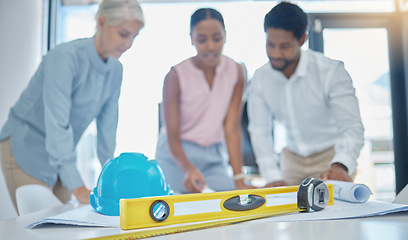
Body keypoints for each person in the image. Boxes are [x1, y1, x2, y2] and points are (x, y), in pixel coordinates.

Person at [0, 0, 145, 209]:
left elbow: (107, 129)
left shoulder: (115, 70)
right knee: (40, 225)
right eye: (124, 34)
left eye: (134, 36)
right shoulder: (65, 57)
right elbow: (57, 123)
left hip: (58, 154)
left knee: (69, 222)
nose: (129, 43)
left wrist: (111, 176)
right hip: (24, 146)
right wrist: (77, 187)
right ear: (102, 23)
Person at [247, 1, 364, 187]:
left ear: (302, 40)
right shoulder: (260, 79)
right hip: (291, 160)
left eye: (284, 46)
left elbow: (351, 127)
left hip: (330, 157)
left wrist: (341, 164)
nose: (275, 53)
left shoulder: (331, 71)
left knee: (335, 214)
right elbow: (260, 131)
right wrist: (272, 176)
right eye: (270, 44)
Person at [155, 8, 253, 193]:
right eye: (202, 39)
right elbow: (172, 136)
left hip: (213, 158)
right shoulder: (175, 76)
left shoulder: (237, 72)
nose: (210, 46)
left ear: (225, 36)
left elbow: (232, 129)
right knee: (174, 204)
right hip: (176, 157)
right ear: (191, 38)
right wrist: (188, 169)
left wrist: (239, 178)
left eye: (217, 38)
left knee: (226, 199)